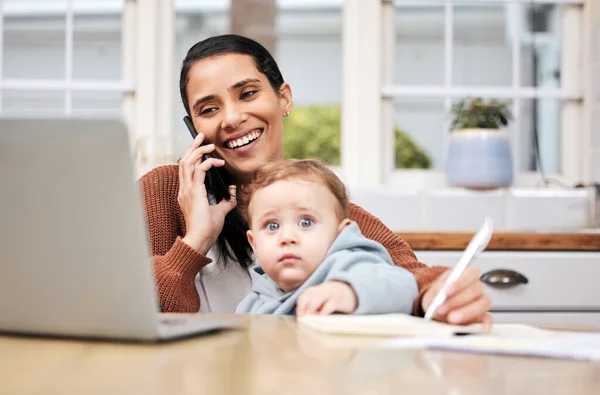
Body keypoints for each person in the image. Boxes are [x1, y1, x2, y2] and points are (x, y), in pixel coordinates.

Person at [138, 34, 492, 328]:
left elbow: (411, 277)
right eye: (209, 109)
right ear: (194, 128)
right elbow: (137, 314)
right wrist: (196, 240)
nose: (232, 118)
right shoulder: (164, 191)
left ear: (284, 98)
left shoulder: (317, 200)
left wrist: (440, 294)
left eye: (247, 94)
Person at [235, 159, 418, 316]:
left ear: (340, 233)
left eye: (306, 222)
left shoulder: (351, 265)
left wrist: (349, 291)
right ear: (255, 243)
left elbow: (406, 287)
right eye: (272, 226)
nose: (287, 237)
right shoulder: (252, 305)